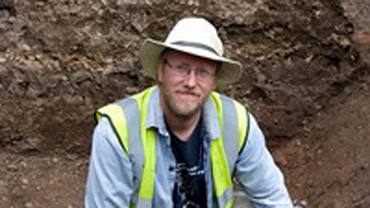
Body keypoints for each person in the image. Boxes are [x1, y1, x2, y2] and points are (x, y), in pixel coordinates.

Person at [85, 17, 293, 208]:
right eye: (181, 67)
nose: (191, 82)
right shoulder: (117, 130)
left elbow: (273, 199)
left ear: (214, 81)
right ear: (160, 71)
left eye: (203, 72)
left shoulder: (237, 122)